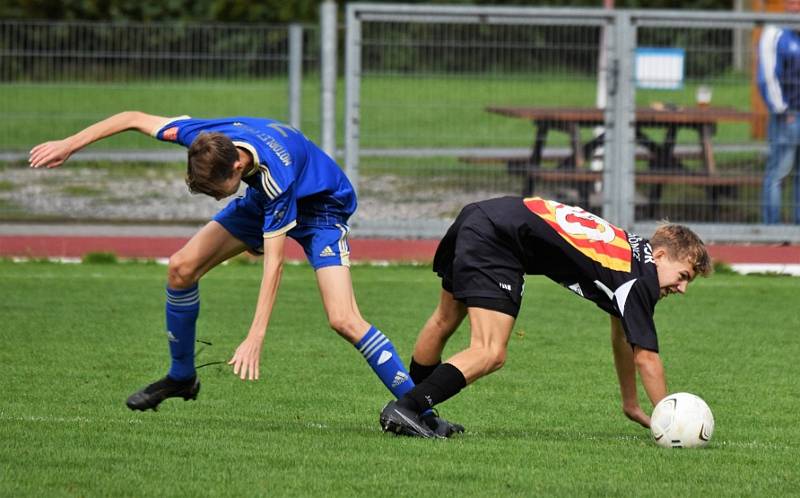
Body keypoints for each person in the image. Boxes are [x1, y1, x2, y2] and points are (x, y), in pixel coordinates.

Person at [29, 111, 461, 435]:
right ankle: (182, 377)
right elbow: (133, 118)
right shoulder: (206, 140)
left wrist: (255, 336)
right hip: (261, 202)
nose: (213, 198)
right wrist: (71, 143)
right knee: (181, 268)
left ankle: (420, 412)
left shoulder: (274, 176)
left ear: (236, 167)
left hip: (321, 208)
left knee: (343, 319)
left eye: (216, 192)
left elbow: (273, 264)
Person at [380, 196, 712, 438]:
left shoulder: (631, 254)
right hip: (499, 239)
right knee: (489, 351)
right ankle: (407, 408)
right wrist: (669, 419)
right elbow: (647, 359)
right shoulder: (640, 280)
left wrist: (631, 403)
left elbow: (624, 337)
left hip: (481, 215)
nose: (682, 288)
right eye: (683, 276)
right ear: (661, 255)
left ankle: (418, 414)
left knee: (444, 319)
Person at [757, 1, 800, 224]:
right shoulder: (775, 33)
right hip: (788, 116)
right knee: (778, 174)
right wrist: (782, 109)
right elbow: (767, 77)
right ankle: (771, 230)